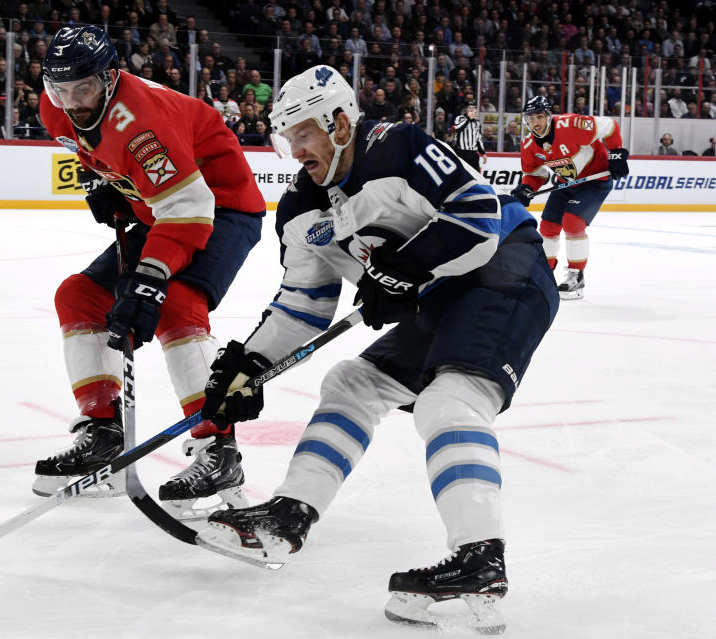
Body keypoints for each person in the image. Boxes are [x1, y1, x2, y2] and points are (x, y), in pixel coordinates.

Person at [193, 66, 559, 633]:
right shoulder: (299, 210)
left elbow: (479, 215)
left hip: (504, 266)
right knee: (353, 382)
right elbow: (304, 306)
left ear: (340, 121)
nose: (296, 150)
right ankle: (289, 515)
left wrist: (404, 270)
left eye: (304, 133)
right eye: (287, 137)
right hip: (439, 295)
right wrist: (249, 364)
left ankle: (480, 558)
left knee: (451, 401)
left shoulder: (398, 146)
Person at [32, 26, 266, 517]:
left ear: (111, 78)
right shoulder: (54, 107)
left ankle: (216, 448)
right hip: (161, 208)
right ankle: (102, 432)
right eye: (61, 89)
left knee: (176, 302)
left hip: (220, 207)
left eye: (84, 88)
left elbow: (189, 205)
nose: (72, 102)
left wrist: (150, 276)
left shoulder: (143, 124)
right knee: (79, 298)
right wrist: (113, 182)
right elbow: (102, 149)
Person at [510, 96, 630, 300]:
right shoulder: (529, 144)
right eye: (530, 119)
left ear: (548, 116)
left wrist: (617, 153)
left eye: (539, 117)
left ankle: (577, 277)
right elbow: (535, 173)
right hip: (565, 183)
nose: (535, 123)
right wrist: (526, 187)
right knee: (547, 227)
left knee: (572, 223)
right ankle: (543, 274)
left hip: (594, 181)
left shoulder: (572, 125)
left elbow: (609, 126)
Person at [452, 100, 486, 171]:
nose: (472, 110)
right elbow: (457, 128)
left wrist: (483, 153)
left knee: (475, 174)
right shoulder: (459, 118)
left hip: (473, 153)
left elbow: (478, 139)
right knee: (461, 173)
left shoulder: (477, 122)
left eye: (474, 108)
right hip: (461, 152)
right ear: (466, 109)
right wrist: (468, 118)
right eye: (470, 108)